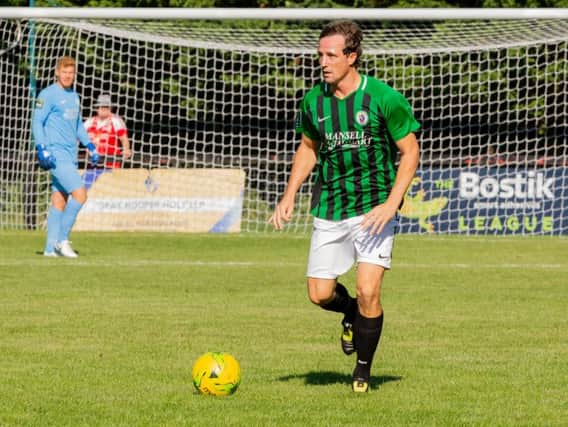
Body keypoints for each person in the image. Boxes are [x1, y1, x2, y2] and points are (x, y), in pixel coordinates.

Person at [269, 20, 420, 393]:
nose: (323, 62)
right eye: (320, 54)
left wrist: (392, 202)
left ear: (352, 57)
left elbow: (410, 151)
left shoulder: (383, 97)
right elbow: (308, 147)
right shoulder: (313, 100)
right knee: (319, 294)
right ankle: (351, 314)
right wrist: (289, 195)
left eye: (331, 55)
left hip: (373, 210)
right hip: (331, 207)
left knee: (370, 290)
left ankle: (362, 372)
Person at [32, 55, 99, 258]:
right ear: (57, 72)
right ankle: (62, 240)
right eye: (65, 72)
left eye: (71, 73)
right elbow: (37, 122)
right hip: (55, 155)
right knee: (80, 194)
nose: (68, 76)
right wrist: (42, 147)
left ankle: (50, 249)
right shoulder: (48, 94)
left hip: (70, 155)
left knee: (59, 200)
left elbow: (78, 125)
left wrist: (89, 144)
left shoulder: (74, 96)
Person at [84, 94, 132, 169]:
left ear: (110, 108)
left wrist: (126, 149)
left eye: (106, 106)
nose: (104, 108)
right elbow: (77, 138)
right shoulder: (89, 122)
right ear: (97, 108)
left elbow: (124, 139)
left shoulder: (116, 121)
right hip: (92, 163)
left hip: (111, 164)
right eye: (101, 106)